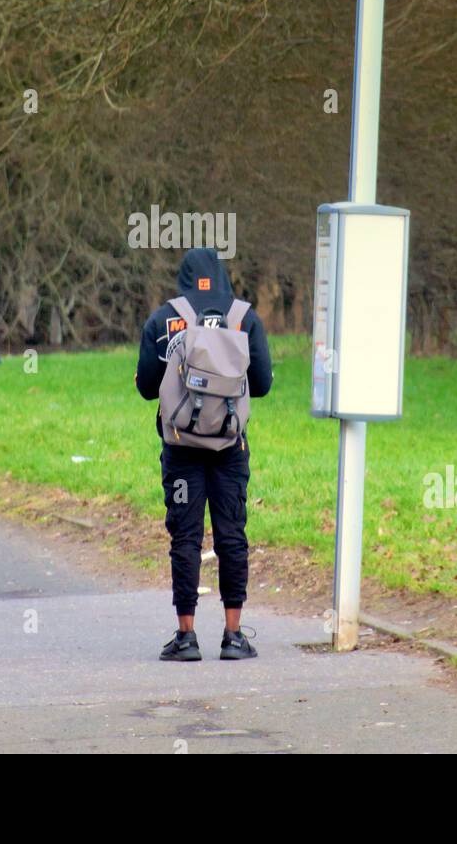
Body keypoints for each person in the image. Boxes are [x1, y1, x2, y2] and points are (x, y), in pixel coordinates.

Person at [135, 247, 274, 660]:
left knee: (186, 535)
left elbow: (145, 387)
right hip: (231, 447)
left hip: (180, 448)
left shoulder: (164, 320)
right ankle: (233, 636)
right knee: (232, 533)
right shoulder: (244, 318)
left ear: (184, 278)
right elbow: (263, 384)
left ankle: (186, 636)